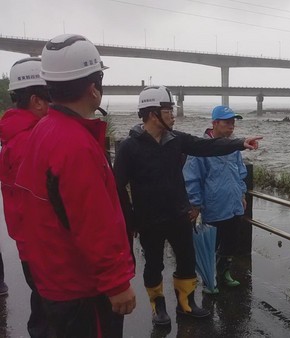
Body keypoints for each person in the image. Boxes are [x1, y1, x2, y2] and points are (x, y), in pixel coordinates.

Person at [14, 34, 136, 337]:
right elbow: (92, 223)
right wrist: (117, 284)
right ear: (94, 88)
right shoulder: (75, 145)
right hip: (82, 289)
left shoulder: (45, 129)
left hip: (56, 281)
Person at [113, 86, 261, 326]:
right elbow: (117, 187)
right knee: (154, 264)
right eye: (169, 110)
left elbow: (207, 147)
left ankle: (187, 304)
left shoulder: (176, 140)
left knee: (186, 260)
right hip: (148, 219)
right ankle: (158, 307)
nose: (173, 114)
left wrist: (241, 143)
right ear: (153, 114)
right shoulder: (130, 148)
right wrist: (130, 221)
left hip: (178, 215)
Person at [0, 57, 51, 337]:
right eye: (52, 96)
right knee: (51, 314)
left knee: (42, 306)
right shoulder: (31, 141)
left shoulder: (15, 135)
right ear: (37, 101)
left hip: (30, 244)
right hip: (43, 245)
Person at [183, 105, 247, 289]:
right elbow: (192, 178)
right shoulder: (201, 148)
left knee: (231, 242)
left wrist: (241, 194)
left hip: (234, 203)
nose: (231, 126)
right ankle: (208, 279)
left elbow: (240, 171)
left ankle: (224, 271)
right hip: (214, 206)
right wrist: (195, 205)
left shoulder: (233, 145)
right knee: (211, 243)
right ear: (215, 123)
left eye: (233, 122)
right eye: (227, 122)